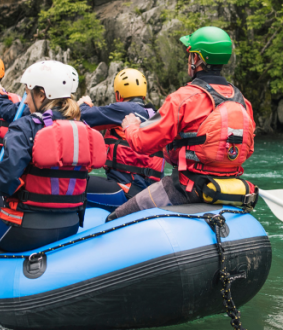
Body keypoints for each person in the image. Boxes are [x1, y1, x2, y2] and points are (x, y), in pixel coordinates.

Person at [106, 27, 257, 220]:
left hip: (185, 189)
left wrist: (130, 127)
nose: (189, 59)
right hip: (229, 187)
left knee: (116, 218)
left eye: (190, 54)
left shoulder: (182, 99)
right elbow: (248, 150)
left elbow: (142, 143)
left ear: (197, 59)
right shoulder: (243, 102)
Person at [0, 60, 107, 252]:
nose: (25, 100)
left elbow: (6, 181)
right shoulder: (84, 130)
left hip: (26, 232)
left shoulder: (24, 126)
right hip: (70, 226)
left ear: (41, 94)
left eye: (27, 93)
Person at [77, 68, 165, 204]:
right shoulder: (154, 114)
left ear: (118, 95)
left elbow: (84, 116)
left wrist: (84, 104)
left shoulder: (124, 109)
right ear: (143, 94)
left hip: (126, 191)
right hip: (150, 192)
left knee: (71, 182)